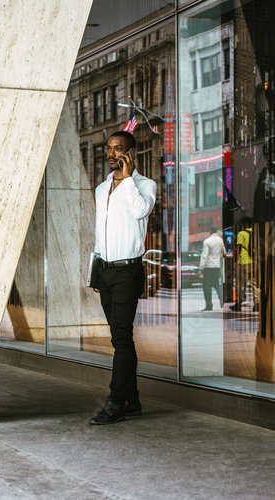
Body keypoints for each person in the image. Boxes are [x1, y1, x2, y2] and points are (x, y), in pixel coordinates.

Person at [89, 131, 157, 425]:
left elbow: (141, 211)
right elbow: (99, 232)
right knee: (119, 339)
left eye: (118, 149)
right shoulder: (102, 188)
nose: (111, 153)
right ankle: (132, 398)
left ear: (130, 153)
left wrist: (128, 179)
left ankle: (117, 401)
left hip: (128, 271)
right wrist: (94, 270)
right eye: (109, 148)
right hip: (104, 270)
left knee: (122, 337)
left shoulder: (144, 185)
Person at [230, 216, 255, 312]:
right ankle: (256, 304)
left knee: (239, 284)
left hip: (243, 261)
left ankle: (238, 304)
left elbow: (238, 248)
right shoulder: (255, 233)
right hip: (253, 261)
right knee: (254, 284)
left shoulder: (242, 233)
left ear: (244, 225)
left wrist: (235, 262)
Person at [199, 225, 226, 311]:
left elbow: (204, 255)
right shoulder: (220, 240)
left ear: (210, 231)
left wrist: (201, 268)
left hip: (208, 267)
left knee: (207, 287)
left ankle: (209, 305)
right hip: (217, 266)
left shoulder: (207, 241)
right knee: (216, 284)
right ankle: (221, 296)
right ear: (216, 231)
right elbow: (223, 253)